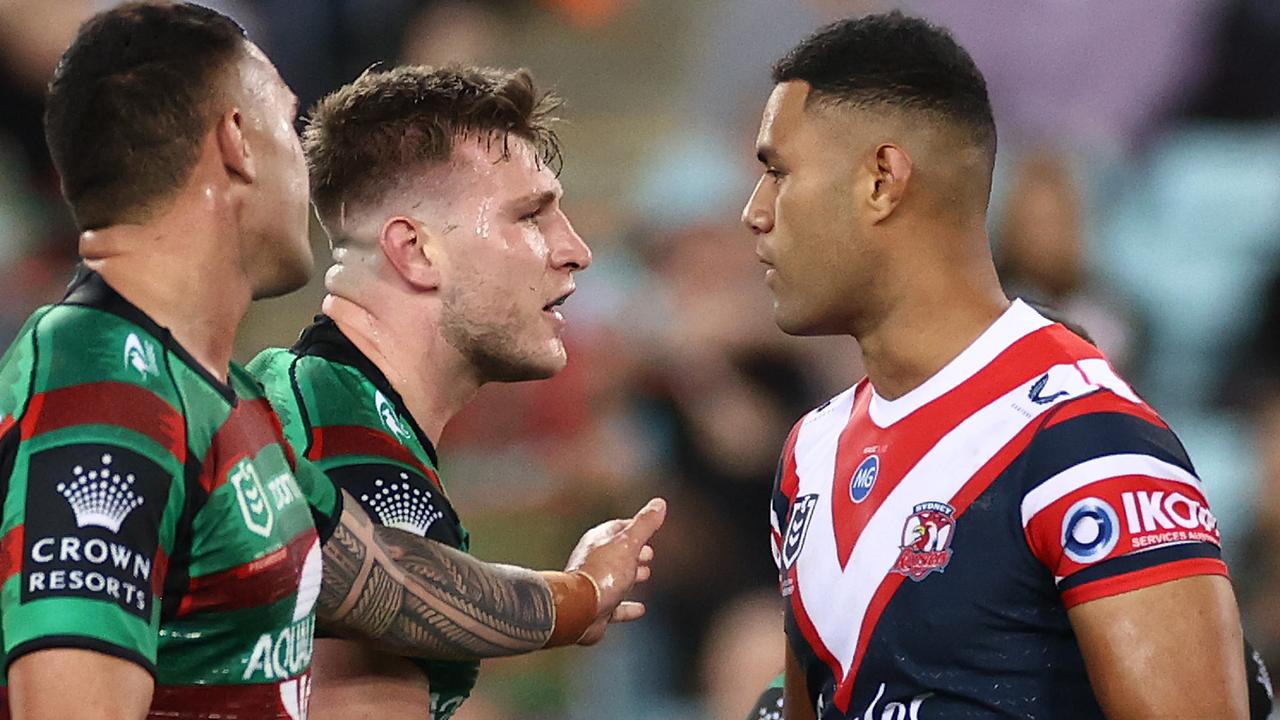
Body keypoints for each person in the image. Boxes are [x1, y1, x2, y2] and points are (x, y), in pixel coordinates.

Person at [0, 4, 660, 718]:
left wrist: (582, 595)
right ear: (237, 143)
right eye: (288, 124)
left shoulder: (224, 407)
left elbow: (391, 581)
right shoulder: (103, 370)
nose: (311, 175)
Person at [741, 11, 1257, 719]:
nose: (754, 213)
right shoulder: (811, 453)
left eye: (778, 172)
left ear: (882, 181)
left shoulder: (1082, 437)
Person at [247, 63, 665, 720]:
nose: (576, 249)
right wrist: (582, 593)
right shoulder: (342, 430)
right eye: (531, 216)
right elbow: (367, 678)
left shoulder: (316, 405)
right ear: (414, 251)